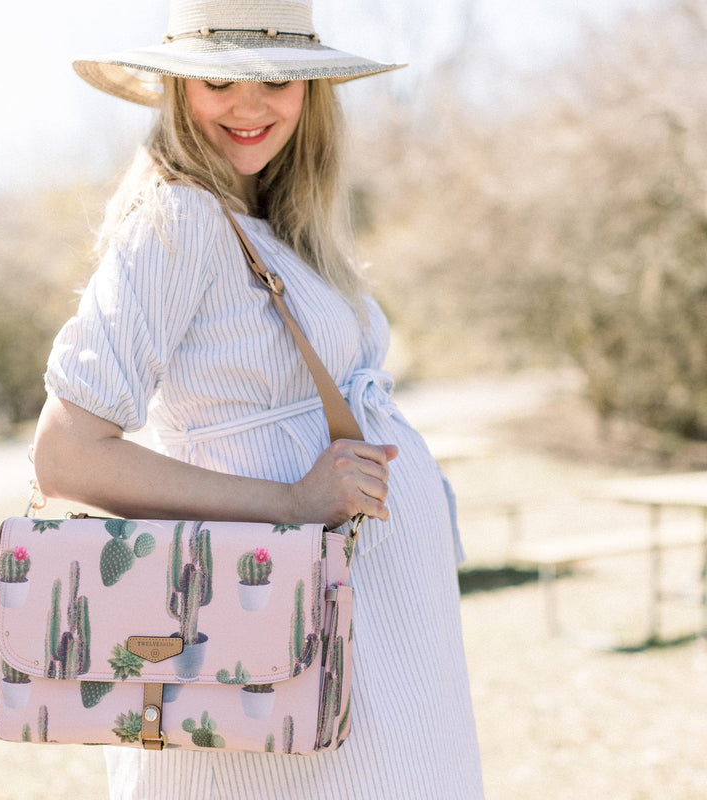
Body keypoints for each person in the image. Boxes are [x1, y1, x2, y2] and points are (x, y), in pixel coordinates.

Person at [32, 1, 484, 797]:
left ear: (312, 95)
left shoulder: (268, 223)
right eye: (218, 79)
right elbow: (66, 452)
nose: (250, 104)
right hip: (267, 631)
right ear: (176, 89)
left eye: (279, 80)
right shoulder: (178, 219)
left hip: (369, 637)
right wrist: (292, 501)